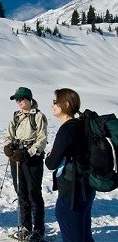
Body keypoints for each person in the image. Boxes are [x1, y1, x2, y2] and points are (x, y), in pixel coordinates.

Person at [45, 88, 96, 242]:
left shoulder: (67, 129)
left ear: (65, 104)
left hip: (72, 193)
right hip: (86, 188)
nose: (52, 105)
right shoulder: (82, 125)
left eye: (55, 102)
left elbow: (51, 163)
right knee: (85, 237)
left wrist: (50, 155)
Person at [3, 87, 48, 241]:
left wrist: (27, 152)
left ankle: (38, 228)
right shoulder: (16, 117)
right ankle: (25, 226)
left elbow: (41, 140)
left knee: (33, 192)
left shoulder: (38, 117)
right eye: (17, 99)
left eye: (21, 99)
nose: (19, 102)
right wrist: (8, 147)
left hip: (32, 158)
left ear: (29, 99)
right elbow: (9, 134)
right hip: (17, 158)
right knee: (21, 192)